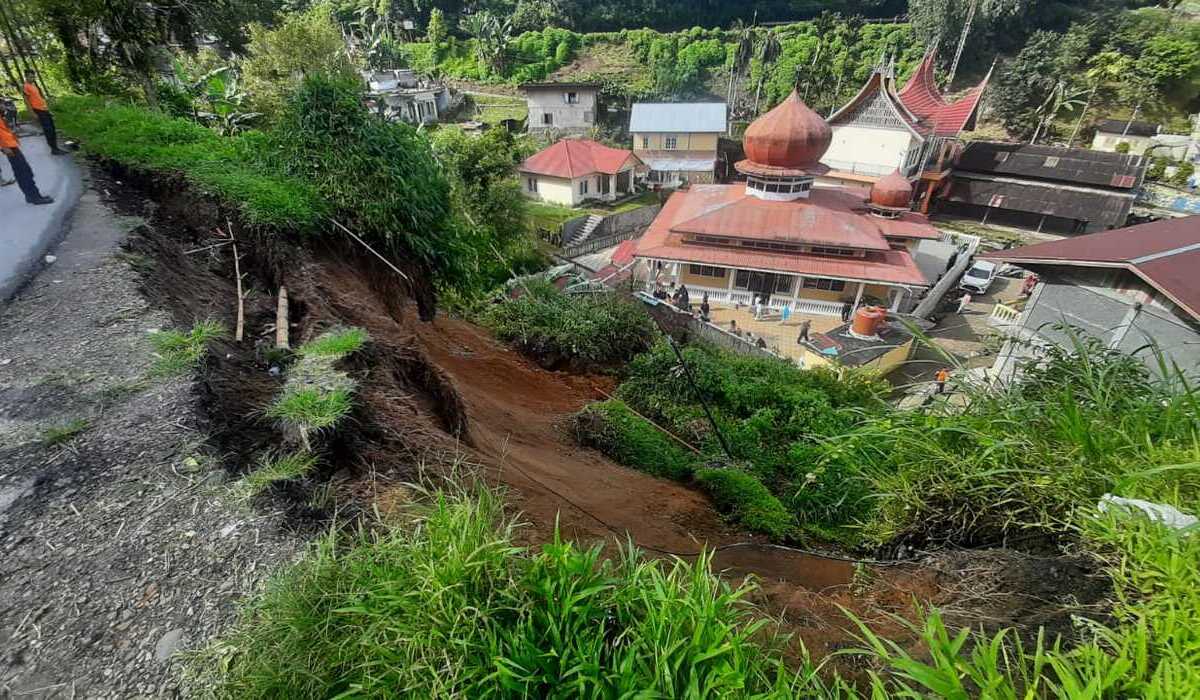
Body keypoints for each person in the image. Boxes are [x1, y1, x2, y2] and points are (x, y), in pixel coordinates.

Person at [0, 114, 53, 205]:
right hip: (7, 145)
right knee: (22, 171)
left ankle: (31, 195)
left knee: (25, 170)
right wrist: (4, 146)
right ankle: (34, 197)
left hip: (10, 143)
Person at [22, 71, 64, 155]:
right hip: (38, 111)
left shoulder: (33, 86)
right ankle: (54, 149)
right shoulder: (26, 87)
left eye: (33, 77)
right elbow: (26, 101)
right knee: (48, 130)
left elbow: (39, 99)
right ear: (26, 77)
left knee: (52, 128)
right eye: (30, 77)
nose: (32, 78)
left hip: (44, 110)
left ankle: (56, 147)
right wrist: (32, 113)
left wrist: (48, 110)